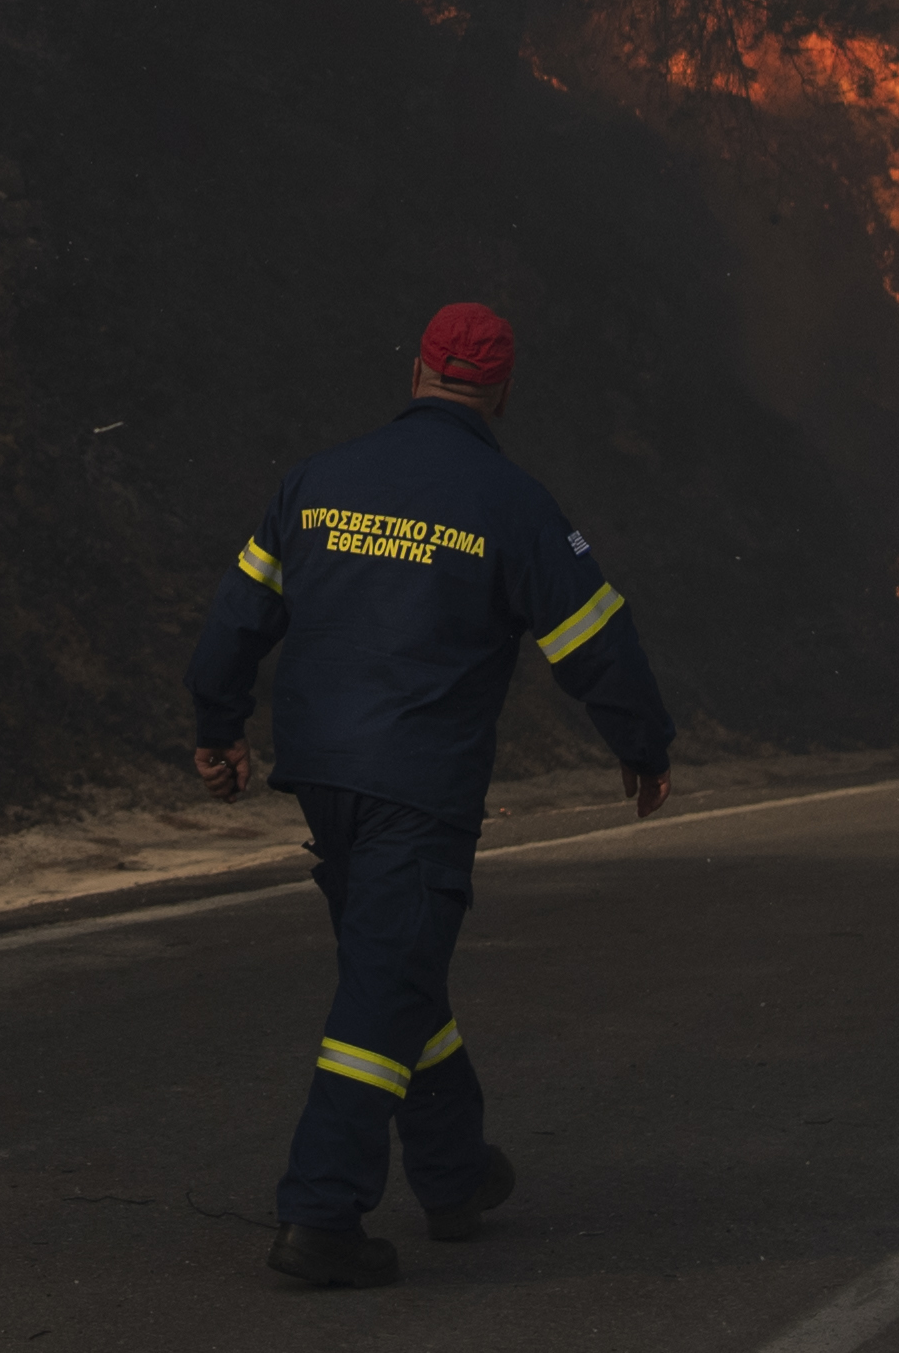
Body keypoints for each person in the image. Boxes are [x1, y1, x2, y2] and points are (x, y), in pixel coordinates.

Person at [187, 299, 676, 1289]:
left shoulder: (314, 481)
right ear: (498, 391)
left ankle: (453, 1175)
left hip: (322, 775)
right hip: (418, 785)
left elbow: (236, 617)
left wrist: (215, 727)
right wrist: (642, 743)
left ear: (416, 370)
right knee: (383, 985)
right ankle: (321, 1217)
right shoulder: (510, 503)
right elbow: (592, 641)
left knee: (393, 964)